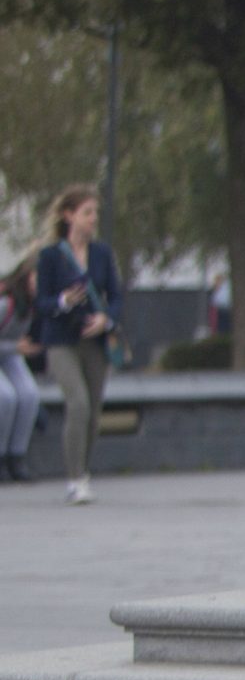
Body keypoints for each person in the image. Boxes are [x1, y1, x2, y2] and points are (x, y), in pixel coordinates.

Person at [33, 185, 121, 504]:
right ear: (69, 216)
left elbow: (117, 296)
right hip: (61, 341)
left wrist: (106, 319)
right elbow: (41, 304)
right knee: (78, 403)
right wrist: (63, 300)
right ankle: (74, 479)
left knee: (94, 413)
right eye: (87, 213)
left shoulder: (102, 254)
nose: (93, 219)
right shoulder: (51, 256)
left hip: (94, 342)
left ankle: (84, 471)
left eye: (95, 213)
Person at [0, 253, 40, 484]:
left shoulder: (34, 305)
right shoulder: (6, 303)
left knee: (29, 394)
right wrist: (14, 346)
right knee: (5, 397)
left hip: (10, 354)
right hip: (8, 349)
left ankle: (17, 455)